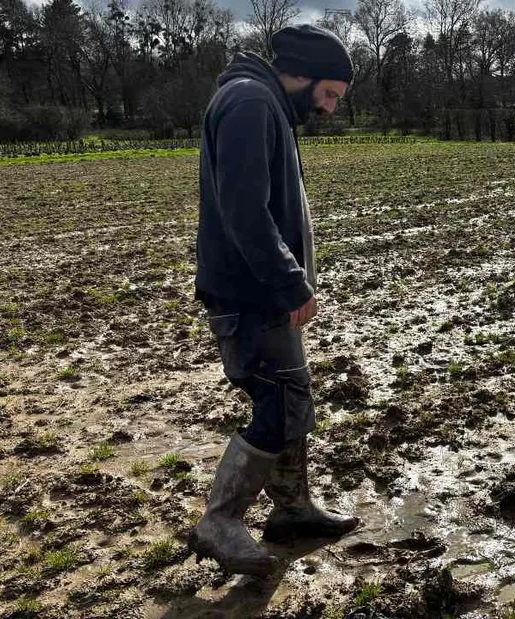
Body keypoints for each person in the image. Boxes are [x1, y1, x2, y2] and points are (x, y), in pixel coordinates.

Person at [188, 24, 358, 577]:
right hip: (252, 293)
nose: (330, 108)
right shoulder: (250, 102)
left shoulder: (260, 100)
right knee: (281, 403)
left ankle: (291, 508)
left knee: (290, 399)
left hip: (263, 293)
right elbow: (244, 211)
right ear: (302, 74)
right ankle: (220, 520)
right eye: (329, 94)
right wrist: (290, 283)